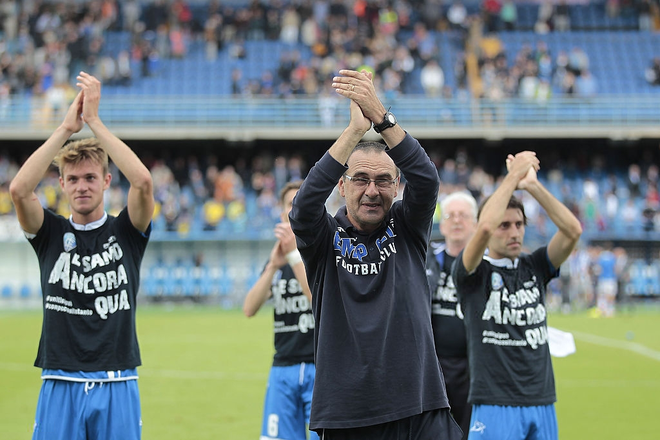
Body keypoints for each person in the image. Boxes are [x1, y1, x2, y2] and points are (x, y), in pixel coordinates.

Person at [289, 69, 462, 439]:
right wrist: (353, 131)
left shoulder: (407, 225)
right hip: (347, 414)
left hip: (421, 406)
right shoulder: (324, 237)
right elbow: (302, 208)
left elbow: (427, 179)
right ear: (341, 184)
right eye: (360, 179)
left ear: (396, 186)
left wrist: (380, 117)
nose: (372, 190)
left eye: (384, 180)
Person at [9, 71, 154, 440]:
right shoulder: (50, 233)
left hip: (118, 377)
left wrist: (94, 122)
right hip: (59, 377)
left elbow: (143, 182)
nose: (81, 186)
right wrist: (64, 129)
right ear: (61, 184)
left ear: (106, 181)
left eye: (90, 177)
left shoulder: (127, 232)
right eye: (72, 179)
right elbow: (20, 190)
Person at [452, 151, 582, 440]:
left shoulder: (535, 265)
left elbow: (572, 230)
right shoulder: (471, 272)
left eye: (519, 225)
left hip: (542, 399)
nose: (514, 233)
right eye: (505, 225)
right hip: (495, 403)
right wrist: (513, 176)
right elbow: (484, 225)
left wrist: (532, 185)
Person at [243, 180, 318, 440]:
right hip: (283, 366)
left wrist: (294, 256)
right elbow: (249, 308)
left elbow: (318, 299)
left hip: (320, 367)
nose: (295, 209)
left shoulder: (321, 253)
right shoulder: (278, 258)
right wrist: (273, 266)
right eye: (289, 204)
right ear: (281, 211)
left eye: (301, 203)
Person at [425, 191, 478, 440]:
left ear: (476, 224)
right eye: (451, 215)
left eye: (464, 216)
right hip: (433, 369)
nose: (457, 221)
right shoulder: (425, 260)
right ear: (442, 224)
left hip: (474, 369)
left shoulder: (486, 264)